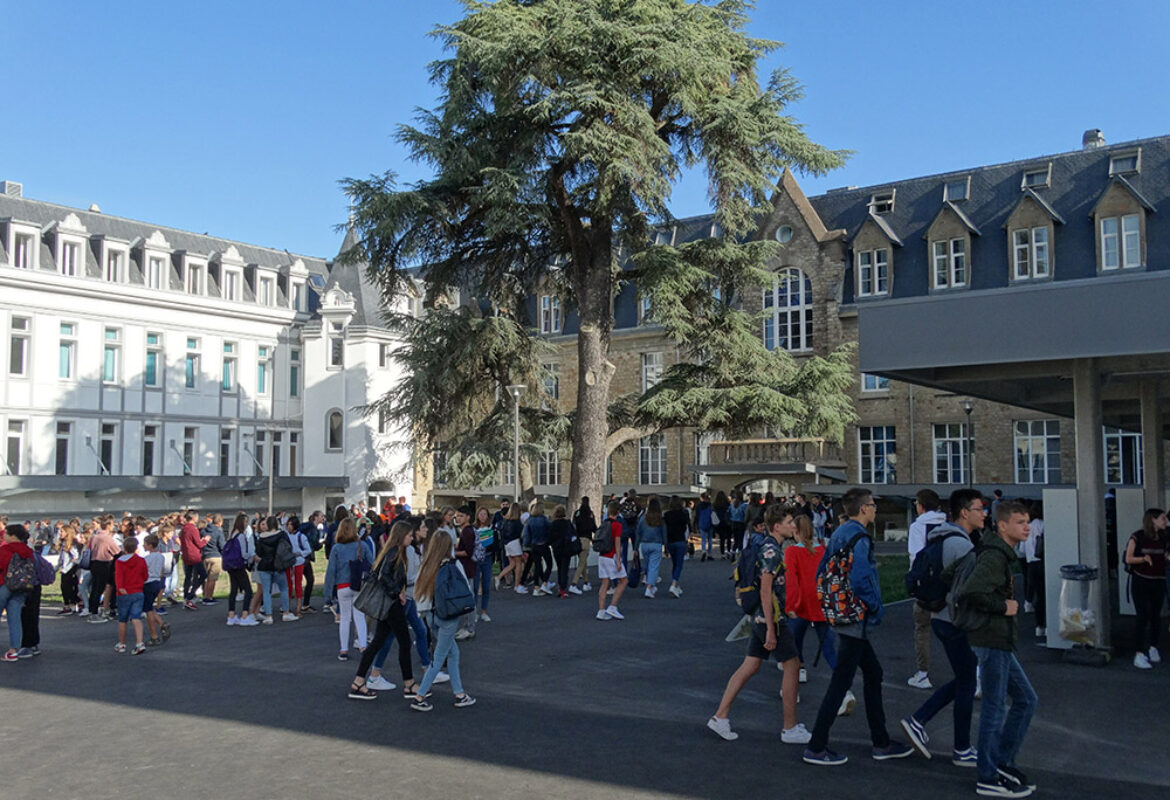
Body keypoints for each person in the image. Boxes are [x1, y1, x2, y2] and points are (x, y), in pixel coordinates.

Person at [803, 488, 914, 766]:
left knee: (873, 672)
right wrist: (875, 606)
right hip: (855, 617)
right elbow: (862, 578)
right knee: (841, 681)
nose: (875, 509)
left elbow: (822, 572)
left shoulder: (840, 533)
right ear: (864, 508)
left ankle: (880, 740)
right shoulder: (860, 538)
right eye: (873, 504)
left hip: (841, 612)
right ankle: (817, 745)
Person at [708, 505, 810, 745]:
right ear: (777, 526)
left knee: (750, 665)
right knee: (792, 666)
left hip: (761, 616)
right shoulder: (772, 550)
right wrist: (772, 629)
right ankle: (790, 727)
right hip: (770, 617)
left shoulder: (765, 546)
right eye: (788, 522)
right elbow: (766, 590)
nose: (793, 525)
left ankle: (720, 716)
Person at [960, 501, 1038, 798]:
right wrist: (1002, 606)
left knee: (1026, 700)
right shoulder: (994, 556)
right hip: (990, 638)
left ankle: (1001, 761)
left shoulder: (1000, 553)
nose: (1026, 527)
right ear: (1002, 526)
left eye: (1027, 521)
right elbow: (972, 591)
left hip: (999, 639)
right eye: (1019, 522)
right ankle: (988, 775)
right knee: (994, 708)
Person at [900, 489, 981, 768]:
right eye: (979, 509)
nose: (983, 514)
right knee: (967, 680)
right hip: (955, 619)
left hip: (938, 614)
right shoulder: (961, 546)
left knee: (964, 677)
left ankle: (921, 721)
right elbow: (969, 591)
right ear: (964, 512)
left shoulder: (940, 536)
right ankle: (958, 745)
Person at [785, 515, 854, 715]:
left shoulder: (791, 551)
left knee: (794, 646)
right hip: (822, 603)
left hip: (802, 605)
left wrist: (791, 605)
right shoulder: (823, 549)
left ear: (796, 531)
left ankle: (794, 686)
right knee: (829, 649)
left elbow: (792, 581)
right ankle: (845, 691)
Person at [349, 521, 418, 700]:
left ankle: (358, 681)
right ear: (401, 535)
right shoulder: (394, 553)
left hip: (388, 603)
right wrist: (398, 593)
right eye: (409, 535)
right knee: (404, 641)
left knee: (378, 642)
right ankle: (409, 683)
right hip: (391, 603)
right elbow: (384, 576)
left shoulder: (391, 551)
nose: (412, 538)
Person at [410, 530, 476, 710]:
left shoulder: (426, 565)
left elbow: (419, 591)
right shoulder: (453, 565)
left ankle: (459, 693)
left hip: (431, 615)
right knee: (439, 658)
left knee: (453, 653)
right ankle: (420, 696)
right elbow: (465, 587)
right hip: (448, 615)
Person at [908, 489, 946, 690]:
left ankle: (923, 673)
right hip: (948, 582)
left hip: (927, 585)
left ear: (920, 506)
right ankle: (972, 674)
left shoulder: (918, 526)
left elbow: (915, 556)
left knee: (922, 628)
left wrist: (914, 582)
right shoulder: (948, 523)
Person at [1124, 508, 1167, 669]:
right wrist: (1143, 558)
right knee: (1142, 616)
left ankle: (1153, 647)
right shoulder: (1138, 537)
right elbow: (1128, 558)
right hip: (1141, 581)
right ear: (1153, 520)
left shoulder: (1164, 536)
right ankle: (1139, 653)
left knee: (1156, 616)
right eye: (1162, 518)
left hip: (1158, 581)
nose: (1165, 521)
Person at [325, 518, 369, 661]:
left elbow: (331, 571)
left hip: (342, 585)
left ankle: (343, 649)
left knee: (344, 618)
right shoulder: (362, 545)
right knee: (359, 616)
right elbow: (372, 564)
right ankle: (363, 645)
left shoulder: (336, 548)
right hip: (358, 585)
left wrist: (327, 594)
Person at [0, 524, 34, 661]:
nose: (3, 535)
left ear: (13, 536)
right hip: (22, 586)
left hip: (4, 585)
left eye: (6, 534)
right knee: (14, 618)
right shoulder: (27, 551)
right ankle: (14, 650)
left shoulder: (5, 550)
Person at [254, 515, 297, 623]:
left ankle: (269, 615)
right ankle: (286, 612)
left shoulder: (261, 537)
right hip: (278, 566)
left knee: (266, 591)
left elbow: (258, 552)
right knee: (284, 589)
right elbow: (289, 547)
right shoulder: (282, 535)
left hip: (264, 566)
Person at [114, 536, 148, 655]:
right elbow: (145, 575)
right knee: (136, 617)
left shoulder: (119, 562)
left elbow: (118, 576)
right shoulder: (141, 560)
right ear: (136, 548)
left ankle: (122, 643)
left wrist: (120, 587)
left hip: (124, 592)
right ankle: (139, 642)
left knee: (122, 619)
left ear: (124, 548)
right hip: (138, 590)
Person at [595, 500, 628, 621]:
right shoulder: (617, 525)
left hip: (602, 556)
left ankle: (601, 610)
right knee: (623, 580)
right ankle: (613, 606)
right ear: (618, 512)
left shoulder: (604, 523)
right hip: (611, 556)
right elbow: (617, 543)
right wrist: (619, 561)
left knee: (605, 583)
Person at [224, 513, 258, 626]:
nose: (247, 524)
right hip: (239, 565)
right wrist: (251, 557)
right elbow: (244, 553)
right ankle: (245, 615)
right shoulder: (241, 536)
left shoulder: (232, 534)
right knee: (248, 590)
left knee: (233, 590)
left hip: (230, 565)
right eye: (245, 522)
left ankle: (231, 615)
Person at [453, 506, 479, 639]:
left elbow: (468, 552)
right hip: (466, 568)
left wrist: (453, 552)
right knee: (465, 598)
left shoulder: (467, 532)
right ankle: (466, 626)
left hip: (467, 568)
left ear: (468, 517)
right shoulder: (465, 530)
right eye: (457, 516)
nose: (458, 518)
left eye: (461, 516)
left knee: (469, 598)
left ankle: (470, 627)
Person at [635, 498, 667, 598]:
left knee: (648, 565)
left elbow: (638, 533)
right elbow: (664, 533)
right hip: (656, 544)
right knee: (654, 566)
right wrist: (666, 546)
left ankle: (650, 584)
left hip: (644, 544)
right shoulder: (660, 519)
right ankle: (649, 587)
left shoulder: (643, 518)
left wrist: (635, 547)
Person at [520, 501, 553, 595]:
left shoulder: (529, 520)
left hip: (534, 545)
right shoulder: (543, 519)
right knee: (549, 564)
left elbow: (526, 535)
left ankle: (536, 587)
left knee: (538, 566)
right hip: (543, 544)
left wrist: (526, 545)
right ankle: (545, 582)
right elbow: (550, 527)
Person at [140, 534, 168, 645]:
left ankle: (154, 635)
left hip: (148, 583)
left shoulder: (147, 558)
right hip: (157, 581)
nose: (143, 545)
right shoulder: (161, 556)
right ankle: (161, 624)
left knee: (148, 611)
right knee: (149, 607)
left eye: (145, 544)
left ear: (150, 546)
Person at [1022, 502, 1045, 639]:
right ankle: (1046, 626)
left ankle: (1039, 625)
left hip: (1031, 562)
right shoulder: (1044, 525)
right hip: (1042, 562)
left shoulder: (1027, 527)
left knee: (1036, 592)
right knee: (1044, 596)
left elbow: (1022, 549)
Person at [179, 511, 208, 611]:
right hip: (194, 555)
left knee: (188, 576)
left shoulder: (183, 529)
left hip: (186, 555)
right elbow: (199, 544)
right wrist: (205, 540)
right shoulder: (193, 529)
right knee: (203, 574)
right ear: (194, 518)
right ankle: (190, 596)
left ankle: (186, 596)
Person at [472, 505, 495, 620]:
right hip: (476, 559)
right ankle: (475, 611)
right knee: (475, 586)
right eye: (480, 514)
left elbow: (494, 544)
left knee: (486, 585)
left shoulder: (492, 528)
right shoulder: (473, 528)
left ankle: (484, 611)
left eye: (484, 514)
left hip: (487, 557)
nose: (482, 516)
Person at [546, 504, 575, 598]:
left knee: (559, 567)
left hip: (557, 548)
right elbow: (573, 534)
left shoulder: (553, 524)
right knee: (565, 568)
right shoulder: (567, 523)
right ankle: (563, 587)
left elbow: (550, 537)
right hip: (566, 547)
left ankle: (560, 586)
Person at [285, 515, 311, 616]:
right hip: (288, 562)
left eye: (290, 524)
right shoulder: (286, 536)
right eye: (288, 524)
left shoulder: (301, 536)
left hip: (298, 562)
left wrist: (300, 553)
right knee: (288, 585)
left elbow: (308, 550)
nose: (288, 526)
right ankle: (287, 607)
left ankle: (298, 608)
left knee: (298, 584)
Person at [663, 496, 690, 597]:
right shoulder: (683, 514)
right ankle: (674, 584)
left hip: (670, 541)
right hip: (680, 540)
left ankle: (676, 584)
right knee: (679, 564)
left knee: (674, 563)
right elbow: (686, 527)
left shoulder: (666, 515)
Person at [496, 503, 525, 591]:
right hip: (515, 542)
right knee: (518, 564)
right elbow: (521, 534)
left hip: (507, 543)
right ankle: (517, 585)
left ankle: (499, 577)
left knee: (511, 564)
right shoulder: (518, 522)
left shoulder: (505, 521)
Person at [571, 497, 597, 592]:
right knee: (582, 563)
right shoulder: (590, 514)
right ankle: (574, 583)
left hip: (578, 539)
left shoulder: (577, 513)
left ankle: (586, 582)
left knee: (583, 562)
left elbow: (573, 525)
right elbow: (593, 527)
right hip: (586, 539)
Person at [200, 513, 225, 605]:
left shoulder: (203, 531)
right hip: (215, 555)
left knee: (206, 578)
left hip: (205, 556)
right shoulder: (218, 532)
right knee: (212, 579)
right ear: (219, 522)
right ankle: (209, 597)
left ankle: (205, 595)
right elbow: (222, 545)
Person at [57, 524, 82, 615]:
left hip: (70, 569)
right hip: (64, 568)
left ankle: (72, 604)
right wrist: (57, 567)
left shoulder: (71, 544)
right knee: (64, 588)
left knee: (68, 588)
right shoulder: (64, 543)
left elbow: (75, 557)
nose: (60, 533)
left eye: (62, 531)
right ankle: (69, 605)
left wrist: (67, 568)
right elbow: (61, 558)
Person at [695, 492, 713, 561]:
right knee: (710, 539)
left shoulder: (699, 506)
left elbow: (697, 516)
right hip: (710, 524)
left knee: (703, 539)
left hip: (701, 523)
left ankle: (703, 551)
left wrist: (696, 524)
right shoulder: (710, 505)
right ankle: (709, 554)